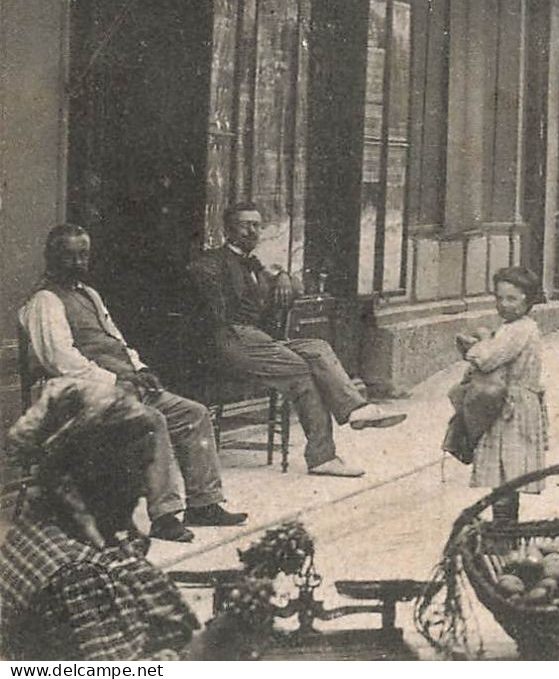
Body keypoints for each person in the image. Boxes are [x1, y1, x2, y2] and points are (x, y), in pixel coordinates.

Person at [18, 226, 246, 544]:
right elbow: (61, 360)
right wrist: (117, 378)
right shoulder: (45, 300)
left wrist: (140, 368)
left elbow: (117, 341)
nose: (77, 261)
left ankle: (204, 503)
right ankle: (165, 516)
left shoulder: (88, 294)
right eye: (68, 254)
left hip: (119, 387)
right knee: (152, 421)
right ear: (51, 256)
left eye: (83, 254)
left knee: (193, 413)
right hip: (75, 394)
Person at [190, 202, 405, 478]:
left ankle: (356, 409)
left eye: (257, 225)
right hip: (230, 340)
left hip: (260, 339)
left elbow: (283, 290)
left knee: (316, 348)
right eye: (245, 224)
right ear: (228, 229)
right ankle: (322, 457)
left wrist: (282, 277)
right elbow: (213, 310)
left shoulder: (257, 265)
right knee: (302, 371)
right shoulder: (211, 263)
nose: (252, 230)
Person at [0, 378, 199, 659]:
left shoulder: (39, 527)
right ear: (89, 472)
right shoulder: (80, 575)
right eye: (134, 472)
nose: (144, 489)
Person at [458, 267, 549, 523]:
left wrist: (477, 345)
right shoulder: (513, 327)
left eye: (512, 299)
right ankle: (504, 528)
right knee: (504, 471)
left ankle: (505, 531)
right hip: (509, 403)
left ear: (529, 300)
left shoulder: (519, 329)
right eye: (499, 298)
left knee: (506, 470)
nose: (504, 305)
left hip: (511, 408)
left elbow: (487, 359)